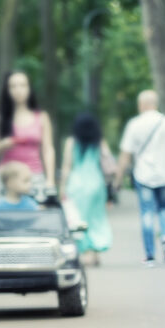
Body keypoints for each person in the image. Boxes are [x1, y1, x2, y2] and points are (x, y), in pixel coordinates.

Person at [113, 90, 165, 266]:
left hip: (143, 175)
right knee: (164, 210)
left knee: (147, 213)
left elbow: (125, 155)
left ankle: (150, 254)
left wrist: (118, 179)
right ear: (155, 103)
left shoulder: (134, 124)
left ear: (141, 105)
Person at [60, 112, 114, 265]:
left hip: (77, 185)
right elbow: (108, 160)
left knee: (79, 219)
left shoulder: (72, 142)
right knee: (96, 219)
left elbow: (67, 167)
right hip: (96, 184)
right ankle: (95, 251)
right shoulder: (99, 142)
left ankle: (86, 252)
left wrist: (62, 188)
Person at [0, 71, 56, 188]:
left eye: (22, 85)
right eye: (13, 86)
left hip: (34, 178)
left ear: (29, 88)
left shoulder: (42, 117)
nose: (18, 90)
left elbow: (48, 149)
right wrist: (3, 145)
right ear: (7, 90)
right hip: (7, 179)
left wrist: (50, 180)